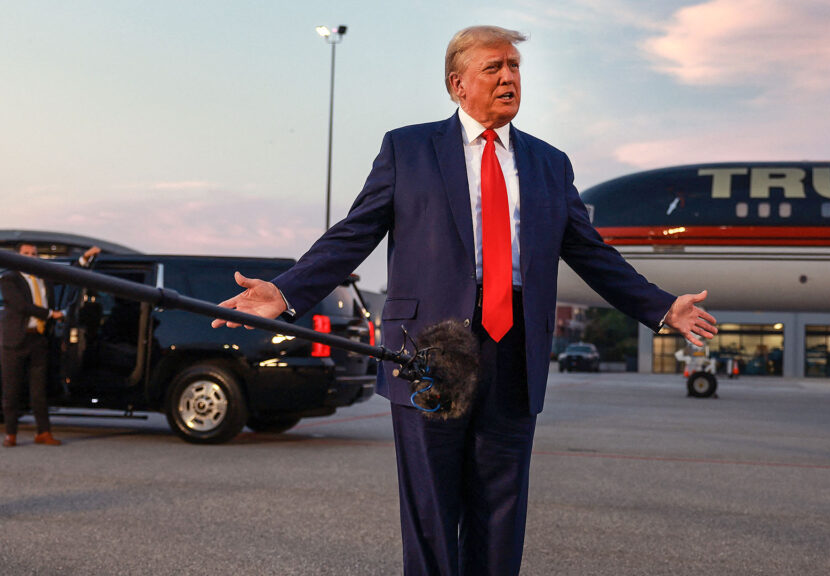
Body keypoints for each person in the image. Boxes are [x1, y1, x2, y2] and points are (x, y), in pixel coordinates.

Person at [213, 25, 717, 575]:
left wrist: (661, 306)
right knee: (431, 510)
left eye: (514, 66)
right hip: (428, 349)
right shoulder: (408, 149)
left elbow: (591, 252)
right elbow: (354, 233)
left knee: (501, 511)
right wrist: (286, 290)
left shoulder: (550, 164)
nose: (508, 77)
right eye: (493, 67)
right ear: (457, 84)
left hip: (515, 349)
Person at [1, 243, 101, 447]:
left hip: (39, 339)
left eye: (33, 254)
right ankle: (11, 434)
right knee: (11, 389)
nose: (30, 257)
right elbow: (21, 306)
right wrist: (50, 314)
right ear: (18, 256)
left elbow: (67, 275)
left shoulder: (44, 277)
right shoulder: (9, 278)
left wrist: (84, 258)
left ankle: (43, 432)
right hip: (15, 340)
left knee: (39, 390)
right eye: (26, 254)